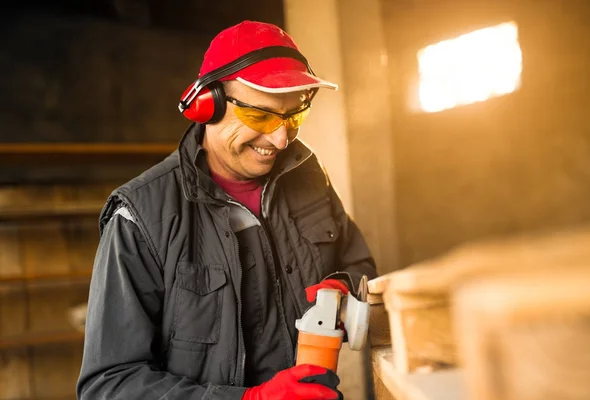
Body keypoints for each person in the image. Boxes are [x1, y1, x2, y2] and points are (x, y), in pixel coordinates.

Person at [76, 20, 377, 400]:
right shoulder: (141, 217)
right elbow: (109, 384)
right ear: (208, 105)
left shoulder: (308, 177)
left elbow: (359, 265)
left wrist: (344, 288)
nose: (281, 138)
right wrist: (251, 399)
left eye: (293, 115)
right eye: (261, 115)